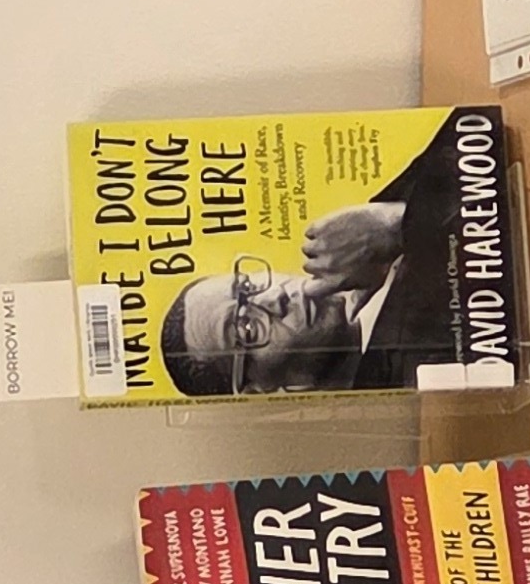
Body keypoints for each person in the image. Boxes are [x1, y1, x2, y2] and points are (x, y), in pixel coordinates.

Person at [151, 123, 473, 396]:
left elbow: (479, 136)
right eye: (247, 326)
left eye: (247, 285)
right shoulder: (409, 382)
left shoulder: (367, 230)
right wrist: (399, 226)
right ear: (256, 388)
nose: (274, 296)